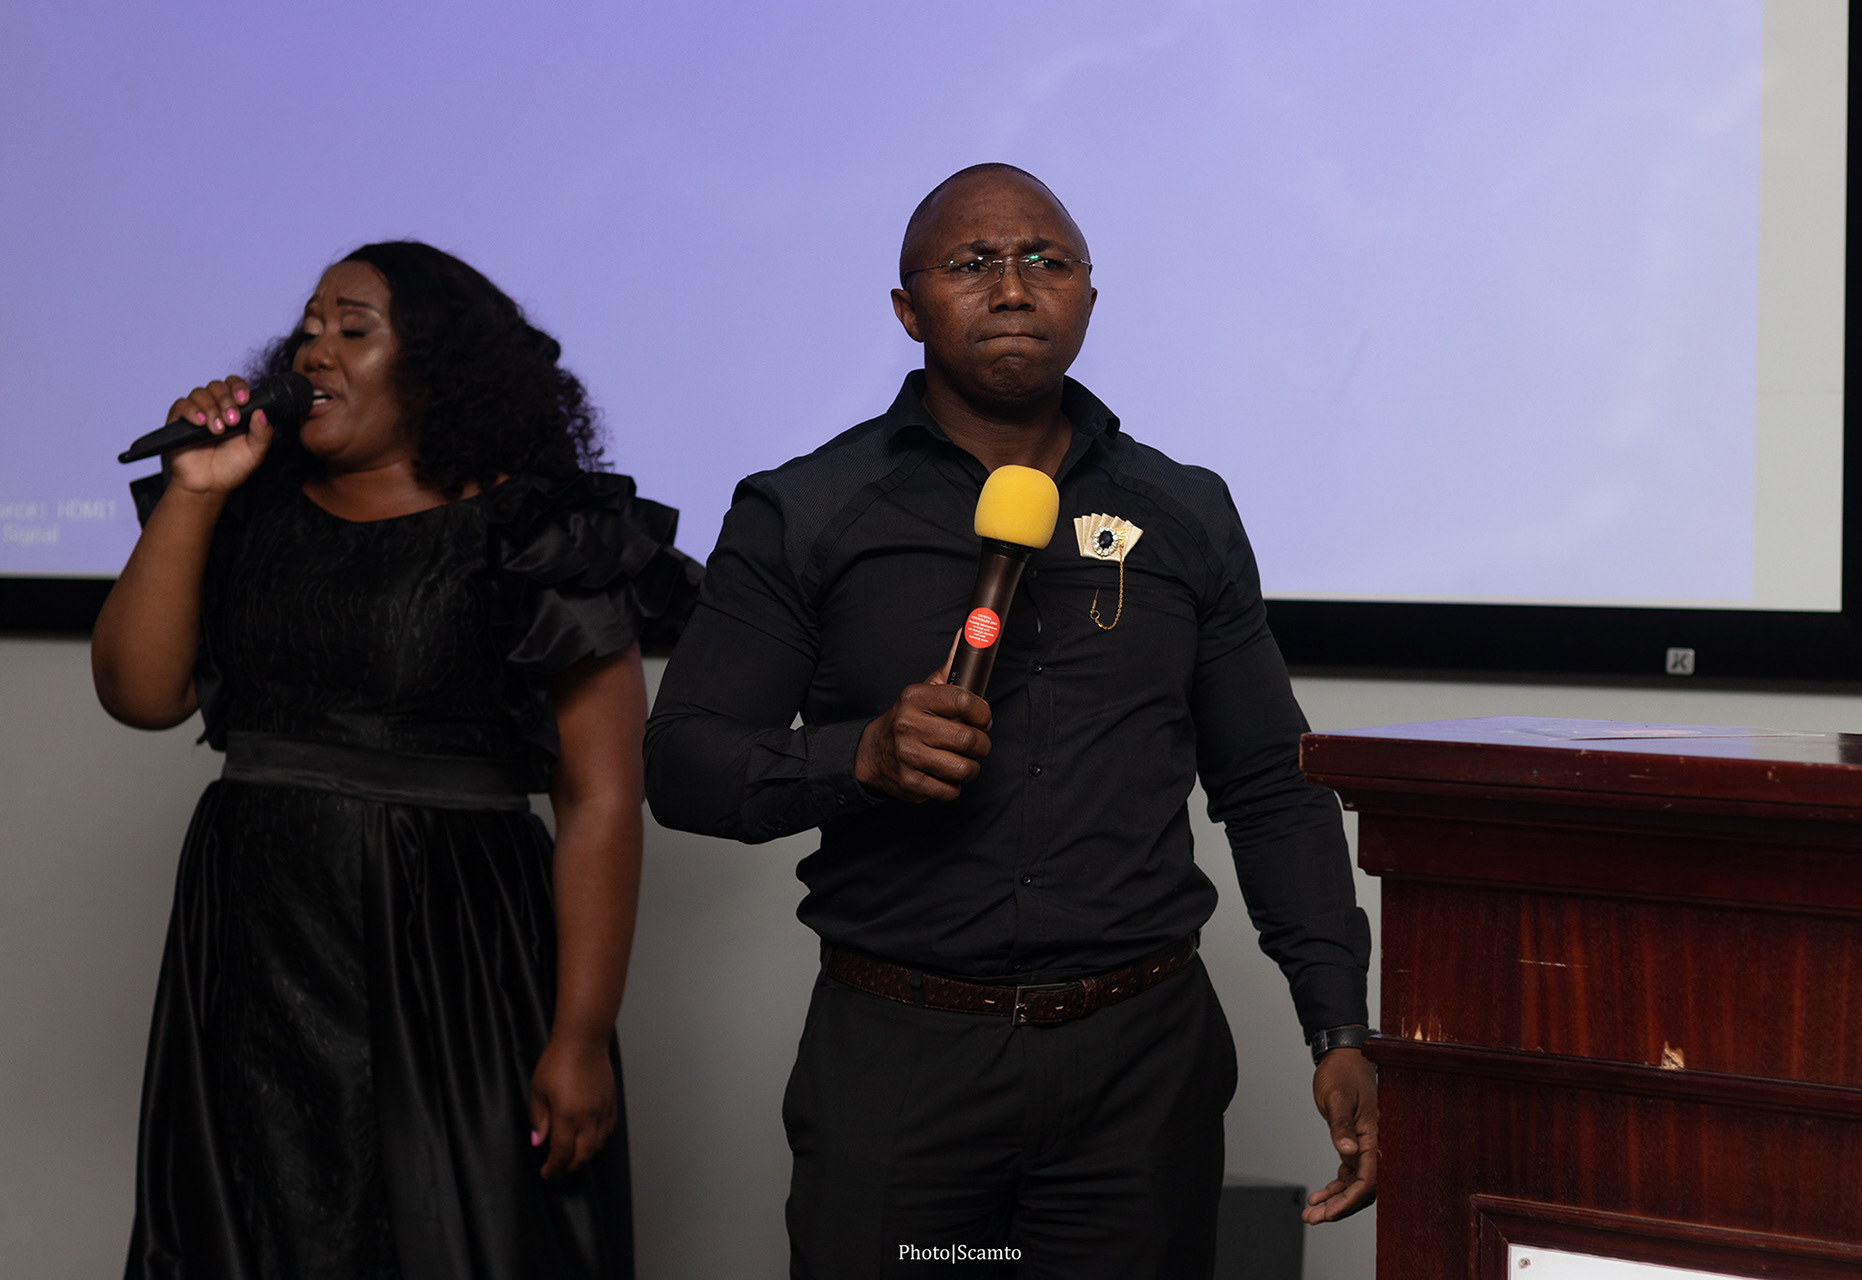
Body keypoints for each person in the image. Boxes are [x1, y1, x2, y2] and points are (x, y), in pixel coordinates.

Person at [644, 164, 1377, 1278]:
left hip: (1141, 1070)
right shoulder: (807, 510)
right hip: (904, 1063)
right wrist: (861, 757)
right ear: (908, 310)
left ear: (1088, 296)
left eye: (1047, 260)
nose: (1014, 286)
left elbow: (1271, 783)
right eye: (972, 262)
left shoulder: (1184, 511)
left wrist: (1337, 1021)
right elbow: (683, 766)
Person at [93, 241, 699, 1280]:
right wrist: (193, 491)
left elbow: (600, 797)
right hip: (253, 944)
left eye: (353, 328)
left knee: (451, 1234)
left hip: (452, 952)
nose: (314, 350)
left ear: (438, 367)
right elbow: (140, 695)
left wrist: (581, 1036)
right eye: (308, 329)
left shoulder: (539, 531)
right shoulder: (248, 504)